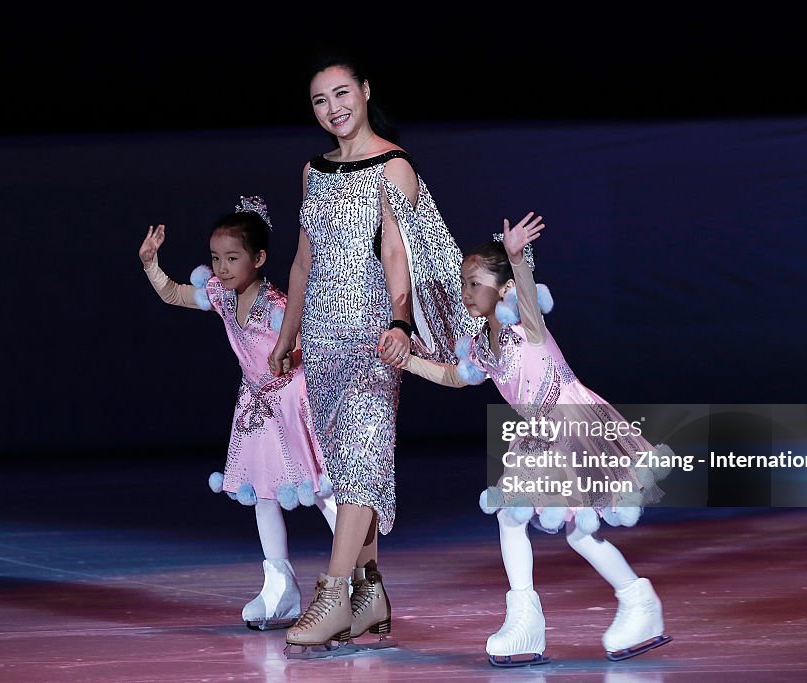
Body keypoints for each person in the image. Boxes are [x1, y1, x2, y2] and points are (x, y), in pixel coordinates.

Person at [268, 52, 478, 658]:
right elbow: (304, 260)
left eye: (341, 94)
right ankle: (369, 594)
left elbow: (399, 255)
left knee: (361, 459)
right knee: (345, 464)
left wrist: (400, 322)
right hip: (322, 339)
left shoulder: (394, 166)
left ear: (363, 91)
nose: (332, 108)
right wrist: (287, 336)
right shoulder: (314, 170)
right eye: (318, 101)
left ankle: (332, 597)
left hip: (370, 336)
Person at [400, 212, 673, 666]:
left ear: (503, 288)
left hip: (570, 423)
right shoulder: (483, 341)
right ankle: (615, 603)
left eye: (474, 283)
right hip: (537, 433)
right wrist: (405, 360)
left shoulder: (525, 322)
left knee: (558, 527)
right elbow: (454, 375)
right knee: (563, 530)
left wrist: (516, 258)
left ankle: (622, 605)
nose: (465, 292)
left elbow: (527, 294)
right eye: (463, 284)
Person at [138, 196, 337, 631]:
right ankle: (279, 590)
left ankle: (356, 583)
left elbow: (317, 342)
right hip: (257, 406)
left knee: (322, 490)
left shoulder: (281, 305)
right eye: (215, 259)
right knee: (264, 495)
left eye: (232, 258)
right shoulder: (221, 297)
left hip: (293, 402)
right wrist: (152, 263)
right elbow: (174, 292)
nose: (222, 268)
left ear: (259, 258)